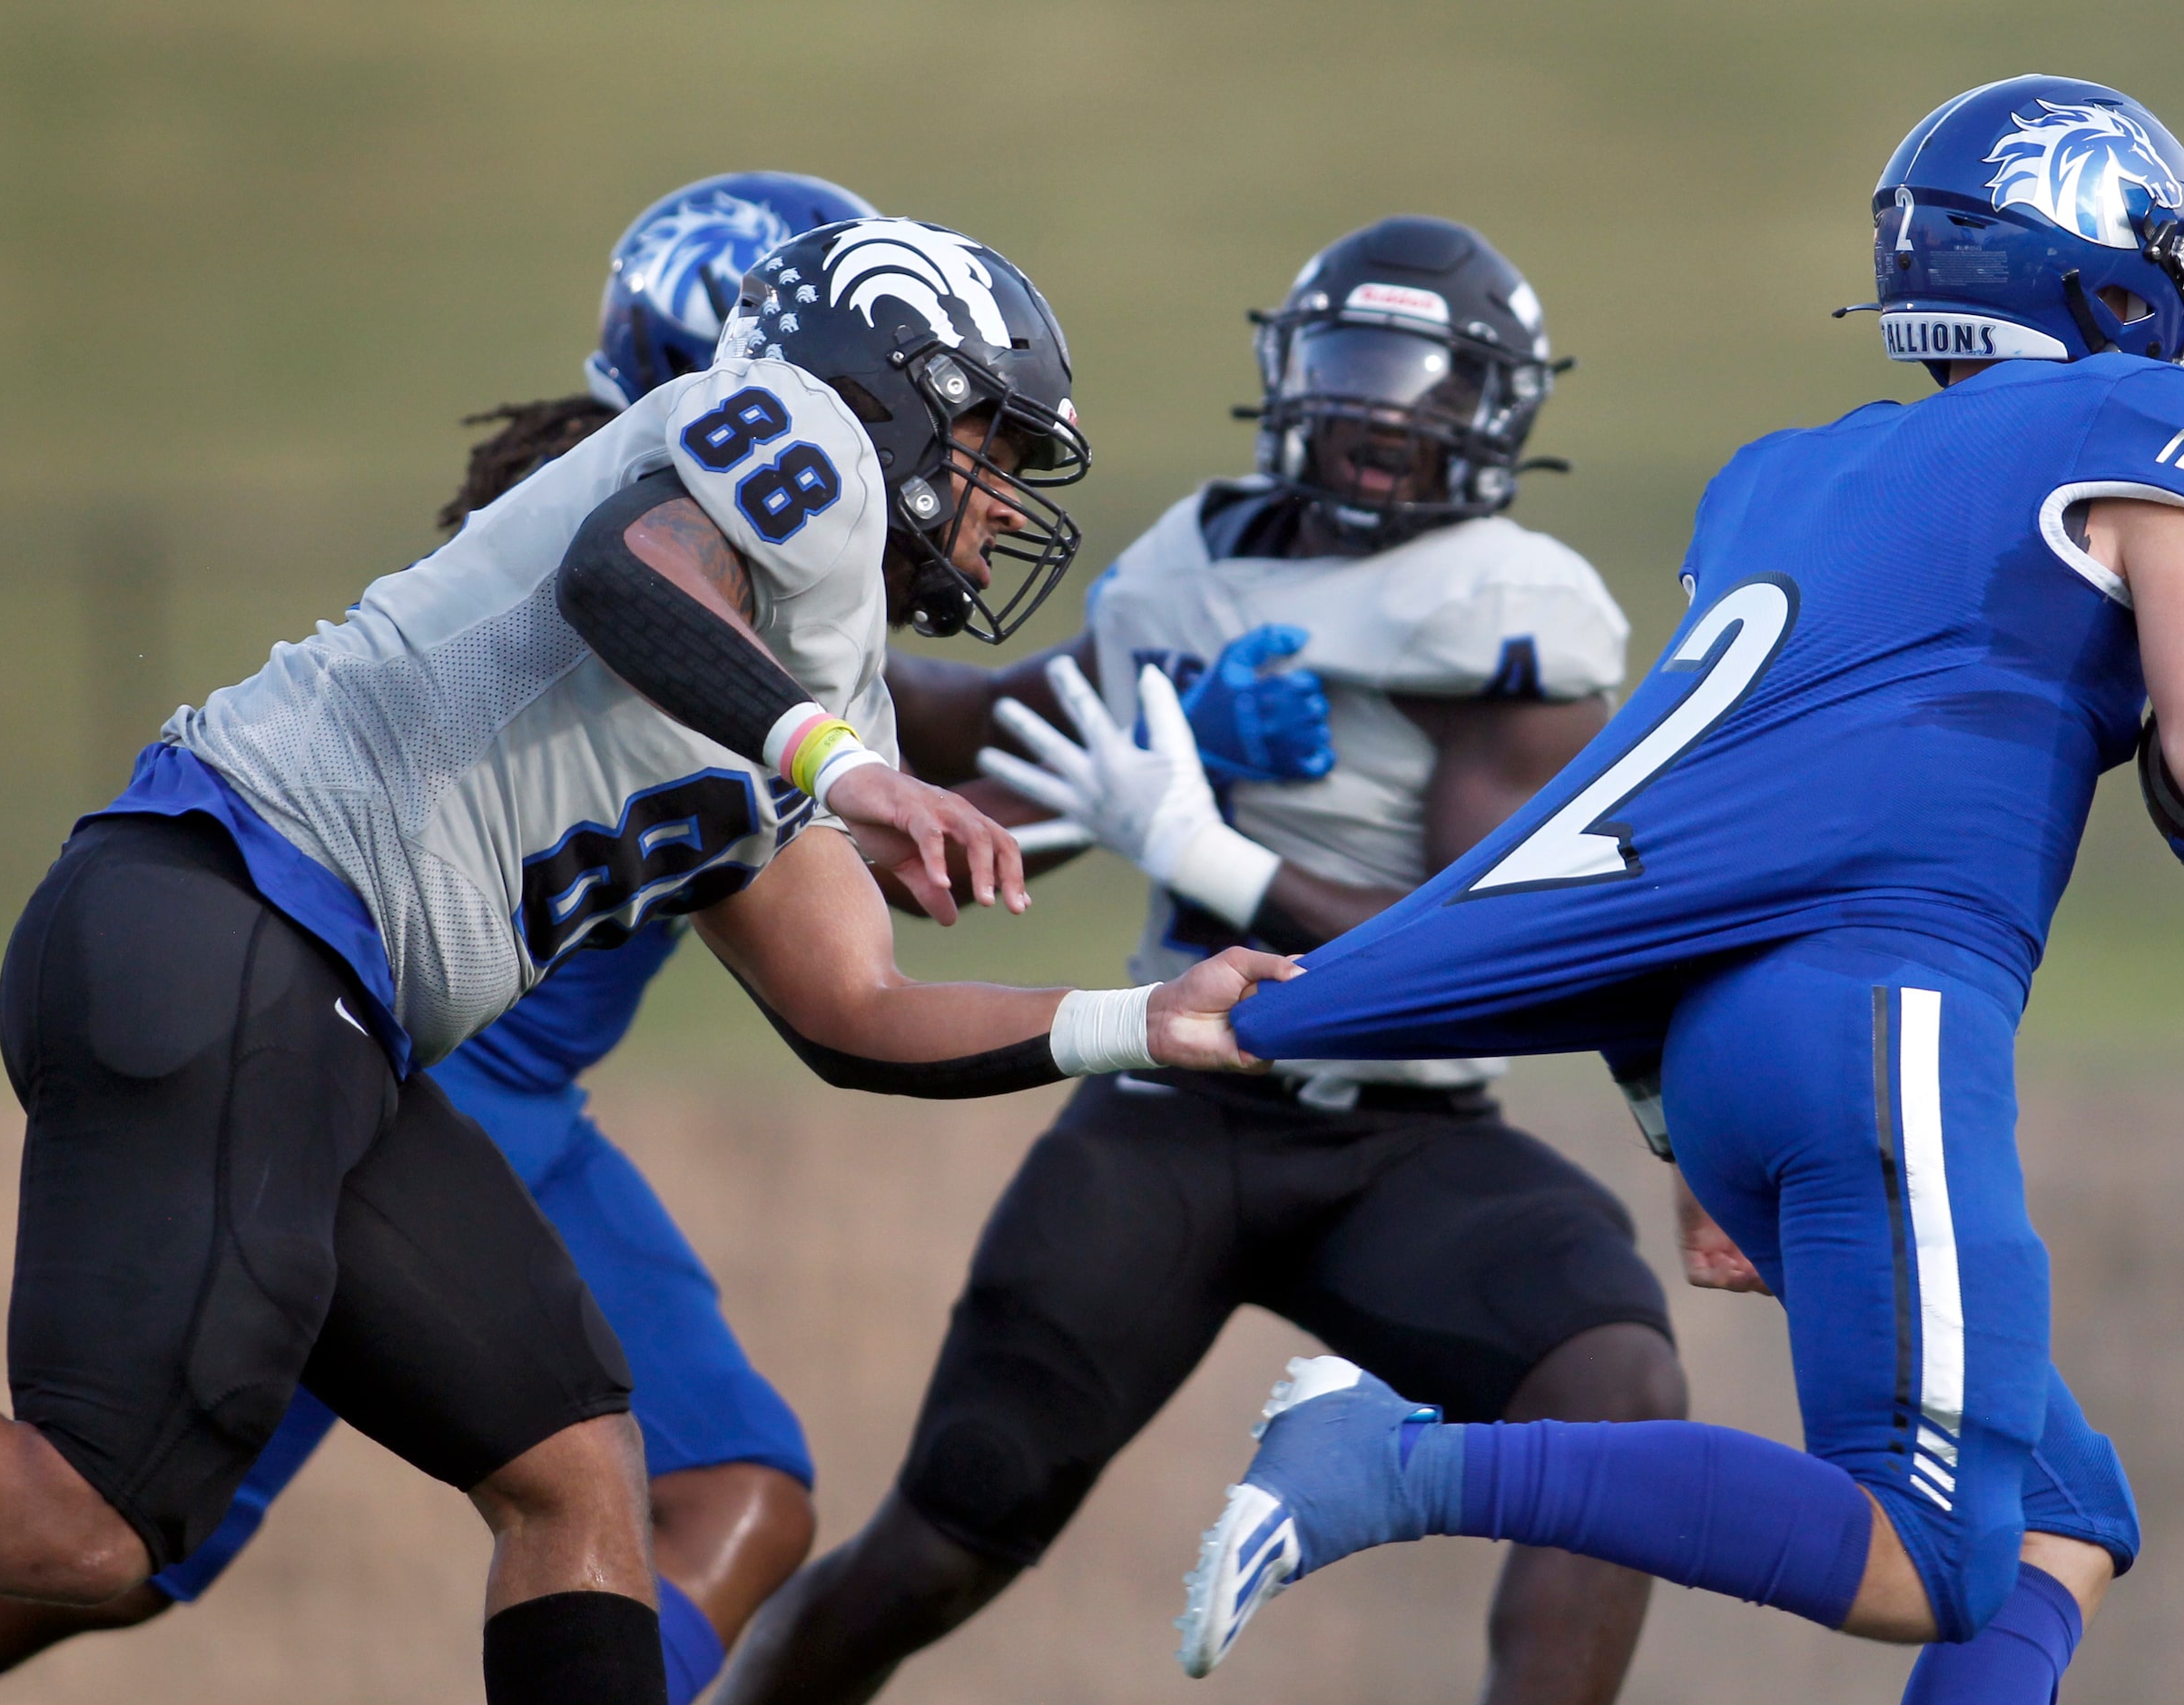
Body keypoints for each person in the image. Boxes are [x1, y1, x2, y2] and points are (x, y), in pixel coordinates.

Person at [1169, 76, 2184, 1705]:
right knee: (1935, 1561)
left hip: (1729, 1051)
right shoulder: (2139, 424)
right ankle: (1392, 1463)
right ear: (2099, 270)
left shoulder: (1775, 477)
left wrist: (1685, 1129)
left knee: (2067, 1517)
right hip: (1879, 1012)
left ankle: (1400, 1457)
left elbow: (1685, 806)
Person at [0, 211, 1284, 1705]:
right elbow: (627, 573)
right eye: (992, 442)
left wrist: (1147, 1020)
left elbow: (852, 1008)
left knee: (576, 1468)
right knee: (93, 1529)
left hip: (329, 1012)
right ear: (898, 388)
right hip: (236, 912)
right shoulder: (801, 439)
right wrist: (845, 768)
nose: (998, 501)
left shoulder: (818, 658)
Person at [715, 217, 1689, 1705]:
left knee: (1618, 1395)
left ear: (1487, 414)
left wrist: (1212, 855)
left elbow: (1481, 946)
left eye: (1416, 384)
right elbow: (994, 721)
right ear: (1290, 371)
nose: (1375, 418)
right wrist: (741, 642)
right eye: (1353, 370)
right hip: (1173, 1108)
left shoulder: (1512, 606)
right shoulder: (1196, 555)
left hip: (1401, 1136)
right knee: (942, 1539)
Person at [0, 171, 888, 1705]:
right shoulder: (636, 560)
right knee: (100, 1539)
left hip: (470, 1093)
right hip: (349, 1043)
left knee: (677, 1477)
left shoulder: (764, 590)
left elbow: (896, 792)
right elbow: (863, 781)